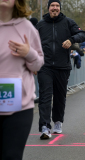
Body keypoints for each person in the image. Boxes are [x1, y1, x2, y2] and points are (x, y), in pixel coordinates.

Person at [0, 0, 44, 159]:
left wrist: (29, 53)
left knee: (11, 156)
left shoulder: (26, 27)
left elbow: (38, 64)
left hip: (19, 107)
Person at [36, 0, 85, 139]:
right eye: (52, 6)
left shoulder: (68, 22)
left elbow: (83, 35)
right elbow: (33, 43)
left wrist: (71, 39)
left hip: (62, 66)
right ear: (48, 8)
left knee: (59, 97)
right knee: (45, 97)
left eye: (57, 6)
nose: (55, 8)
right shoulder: (40, 25)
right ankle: (45, 127)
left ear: (60, 8)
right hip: (44, 67)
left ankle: (58, 121)